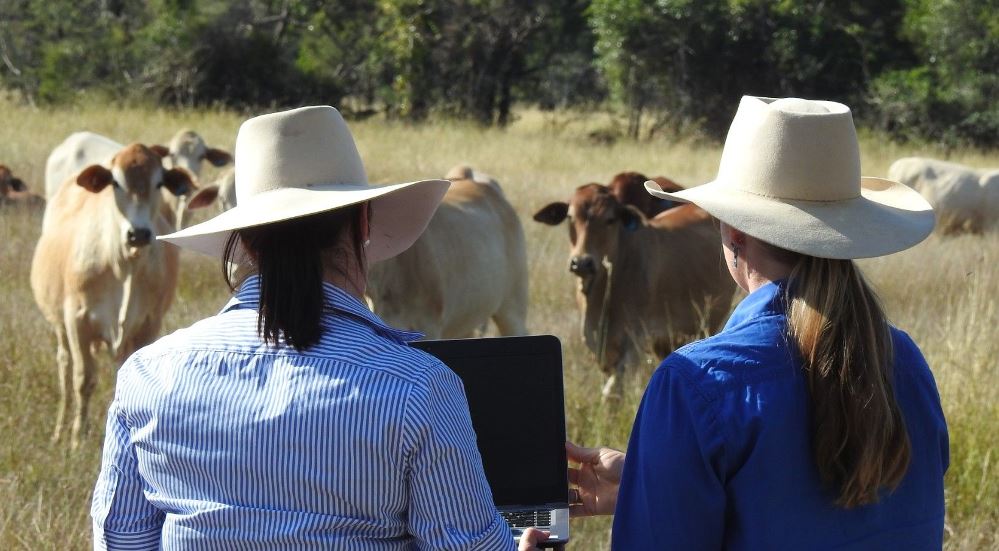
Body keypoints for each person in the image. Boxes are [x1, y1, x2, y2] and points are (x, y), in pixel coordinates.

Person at [90, 106, 547, 550]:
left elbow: (120, 541)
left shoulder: (147, 376)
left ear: (244, 239)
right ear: (365, 222)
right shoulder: (420, 389)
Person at [566, 96, 948, 549]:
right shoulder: (904, 359)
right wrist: (654, 477)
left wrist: (665, 479)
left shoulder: (694, 383)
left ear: (732, 231)